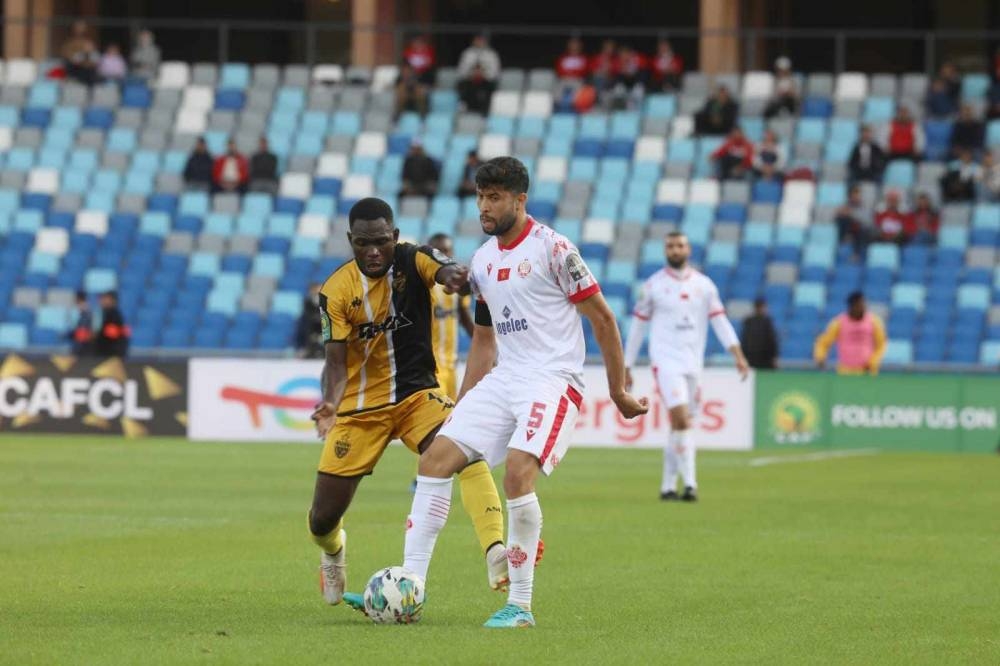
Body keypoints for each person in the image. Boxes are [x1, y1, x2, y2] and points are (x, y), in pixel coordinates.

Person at [384, 157, 647, 628]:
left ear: (520, 200)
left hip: (552, 379)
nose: (484, 206)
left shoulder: (554, 250)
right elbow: (484, 342)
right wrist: (460, 409)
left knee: (517, 475)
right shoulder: (483, 260)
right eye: (480, 197)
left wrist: (619, 391)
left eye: (495, 197)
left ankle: (520, 605)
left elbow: (603, 319)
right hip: (505, 378)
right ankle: (410, 586)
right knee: (434, 460)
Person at [306, 197, 510, 608]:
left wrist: (453, 275)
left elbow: (443, 266)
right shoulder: (336, 291)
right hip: (360, 411)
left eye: (381, 240)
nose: (374, 251)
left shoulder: (413, 258)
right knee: (321, 519)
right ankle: (333, 552)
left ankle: (496, 551)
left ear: (394, 236)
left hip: (418, 395)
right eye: (363, 243)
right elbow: (336, 361)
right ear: (351, 241)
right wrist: (329, 403)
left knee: (465, 449)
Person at [623, 231, 749, 503]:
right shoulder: (653, 286)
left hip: (693, 362)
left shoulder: (705, 286)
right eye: (670, 246)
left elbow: (720, 322)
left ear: (688, 249)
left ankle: (668, 485)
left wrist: (738, 354)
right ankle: (690, 483)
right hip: (665, 361)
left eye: (680, 245)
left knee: (681, 424)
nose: (675, 250)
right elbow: (638, 328)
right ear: (665, 250)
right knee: (682, 418)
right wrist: (627, 364)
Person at [814, 291, 887, 375]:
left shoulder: (874, 322)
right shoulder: (838, 322)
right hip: (845, 372)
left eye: (864, 304)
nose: (863, 307)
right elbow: (823, 342)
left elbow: (881, 344)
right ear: (852, 306)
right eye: (860, 305)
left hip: (868, 372)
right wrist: (820, 357)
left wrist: (873, 361)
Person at [457, 35, 500, 115]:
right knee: (462, 86)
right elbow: (461, 70)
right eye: (477, 40)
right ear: (474, 41)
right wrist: (472, 73)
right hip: (470, 79)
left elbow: (495, 71)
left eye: (481, 40)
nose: (479, 42)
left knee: (490, 87)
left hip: (486, 80)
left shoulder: (491, 54)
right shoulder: (467, 53)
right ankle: (465, 109)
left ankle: (485, 111)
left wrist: (483, 74)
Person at [836, 184, 873, 259]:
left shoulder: (865, 207)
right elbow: (837, 217)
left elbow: (867, 221)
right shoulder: (845, 206)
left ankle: (856, 254)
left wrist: (851, 214)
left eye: (857, 195)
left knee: (859, 229)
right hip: (850, 228)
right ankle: (844, 238)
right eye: (854, 195)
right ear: (850, 197)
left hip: (861, 230)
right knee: (842, 219)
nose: (856, 197)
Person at [740, 298, 779, 370]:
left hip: (760, 358)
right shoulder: (765, 322)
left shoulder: (749, 321)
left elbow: (772, 341)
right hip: (762, 359)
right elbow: (772, 340)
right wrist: (774, 357)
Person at [61, 20, 99, 86]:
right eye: (78, 28)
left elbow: (94, 59)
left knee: (92, 73)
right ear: (73, 29)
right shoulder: (69, 43)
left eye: (82, 28)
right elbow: (71, 58)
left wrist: (88, 58)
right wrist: (83, 55)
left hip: (88, 68)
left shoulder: (89, 42)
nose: (80, 30)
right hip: (75, 68)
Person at [94, 291, 130, 358]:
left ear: (112, 300)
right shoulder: (104, 313)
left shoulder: (114, 315)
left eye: (105, 298)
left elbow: (112, 335)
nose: (102, 301)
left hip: (112, 354)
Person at [295, 283, 324, 359]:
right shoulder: (307, 301)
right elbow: (308, 314)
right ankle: (306, 350)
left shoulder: (325, 300)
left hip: (322, 325)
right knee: (303, 325)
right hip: (311, 325)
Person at [69, 291, 93, 356]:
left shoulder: (87, 314)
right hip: (80, 343)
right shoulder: (80, 314)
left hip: (85, 345)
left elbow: (84, 331)